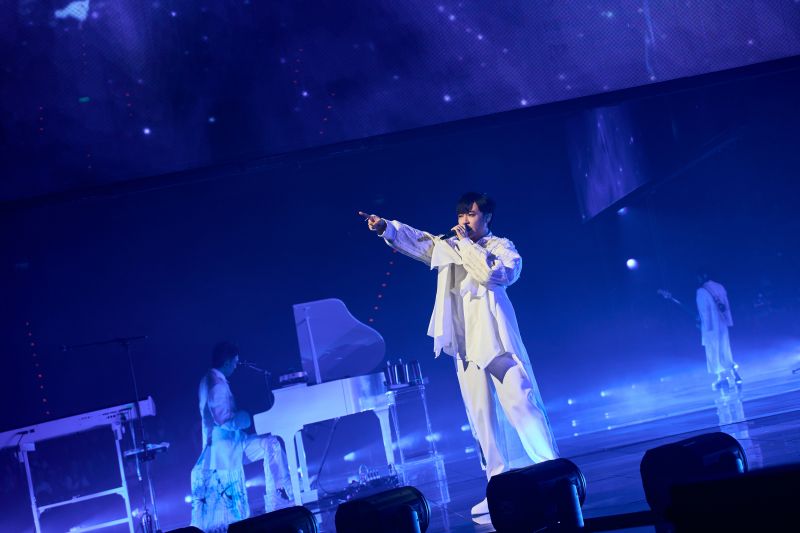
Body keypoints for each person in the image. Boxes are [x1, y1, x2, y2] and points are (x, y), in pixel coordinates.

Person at [358, 192, 558, 517]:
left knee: (521, 403)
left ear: (487, 217)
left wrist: (466, 244)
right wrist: (386, 228)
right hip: (465, 343)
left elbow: (493, 275)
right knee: (481, 419)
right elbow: (421, 242)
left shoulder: (501, 247)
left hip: (496, 337)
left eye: (472, 214)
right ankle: (499, 489)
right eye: (462, 215)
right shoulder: (449, 246)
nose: (465, 220)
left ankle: (551, 474)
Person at [190, 342, 292, 532]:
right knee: (231, 511)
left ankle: (279, 497)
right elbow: (223, 419)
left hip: (233, 443)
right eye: (235, 363)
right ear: (227, 362)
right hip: (225, 449)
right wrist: (244, 418)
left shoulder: (209, 379)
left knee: (271, 444)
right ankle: (279, 500)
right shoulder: (216, 384)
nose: (236, 367)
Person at [696, 272, 742, 391]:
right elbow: (726, 306)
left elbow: (704, 312)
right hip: (722, 323)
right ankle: (734, 374)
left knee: (714, 351)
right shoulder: (719, 287)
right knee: (725, 349)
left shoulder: (701, 291)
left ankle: (721, 377)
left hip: (711, 327)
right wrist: (728, 320)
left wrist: (705, 327)